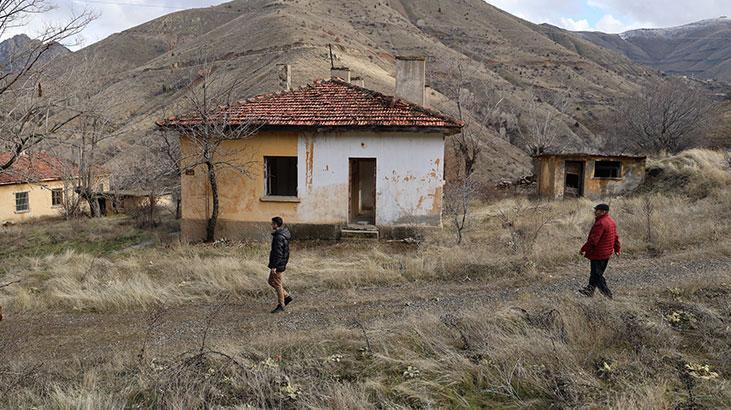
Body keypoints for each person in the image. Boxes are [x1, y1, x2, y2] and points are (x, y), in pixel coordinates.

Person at [579, 203, 621, 299]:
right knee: (595, 273)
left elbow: (593, 240)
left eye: (597, 210)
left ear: (603, 211)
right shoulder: (611, 221)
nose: (595, 211)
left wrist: (583, 249)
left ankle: (608, 295)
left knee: (597, 275)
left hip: (598, 253)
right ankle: (589, 290)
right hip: (606, 253)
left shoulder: (601, 223)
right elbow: (616, 237)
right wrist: (617, 249)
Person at [268, 216, 292, 313]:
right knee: (271, 281)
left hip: (278, 264)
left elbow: (278, 253)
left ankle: (281, 305)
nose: (271, 225)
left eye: (272, 223)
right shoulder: (281, 234)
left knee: (277, 284)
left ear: (276, 225)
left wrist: (274, 266)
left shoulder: (278, 237)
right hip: (280, 263)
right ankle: (286, 296)